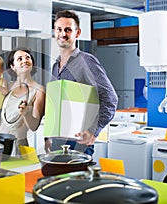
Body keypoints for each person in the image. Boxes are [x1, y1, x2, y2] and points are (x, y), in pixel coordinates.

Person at [45, 10, 118, 156]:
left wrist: (93, 130)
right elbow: (55, 104)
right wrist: (49, 137)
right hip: (57, 141)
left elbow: (110, 99)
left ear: (77, 33)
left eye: (68, 30)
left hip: (78, 141)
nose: (63, 34)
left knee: (76, 179)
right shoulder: (55, 65)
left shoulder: (86, 61)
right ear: (54, 32)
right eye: (59, 29)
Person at [0, 48, 46, 156]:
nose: (25, 60)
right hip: (0, 143)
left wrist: (26, 113)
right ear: (12, 66)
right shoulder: (7, 86)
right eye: (19, 59)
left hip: (18, 146)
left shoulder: (39, 90)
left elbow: (34, 126)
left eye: (27, 57)